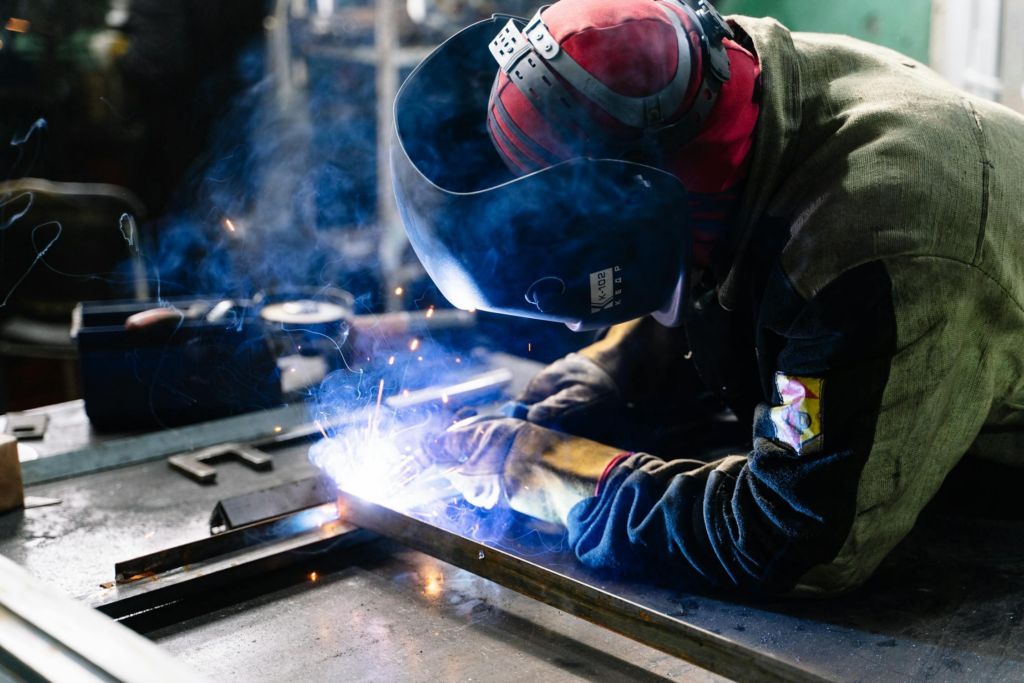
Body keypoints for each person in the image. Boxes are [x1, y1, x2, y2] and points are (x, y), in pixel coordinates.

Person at [391, 0, 1024, 596]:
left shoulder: (878, 253)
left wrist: (552, 469)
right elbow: (725, 250)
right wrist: (614, 371)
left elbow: (789, 538)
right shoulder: (701, 84)